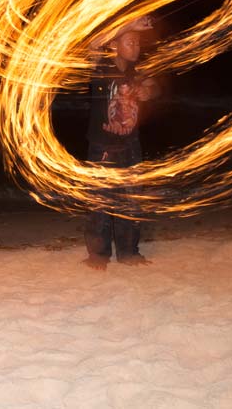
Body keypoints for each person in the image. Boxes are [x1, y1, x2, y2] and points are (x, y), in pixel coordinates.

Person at [83, 15, 161, 270]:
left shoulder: (137, 73)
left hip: (131, 146)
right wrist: (129, 26)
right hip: (102, 148)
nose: (135, 47)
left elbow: (154, 85)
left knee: (131, 202)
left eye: (137, 43)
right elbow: (93, 43)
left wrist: (149, 91)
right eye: (129, 42)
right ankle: (98, 256)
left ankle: (129, 253)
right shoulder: (102, 68)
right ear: (116, 45)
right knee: (101, 204)